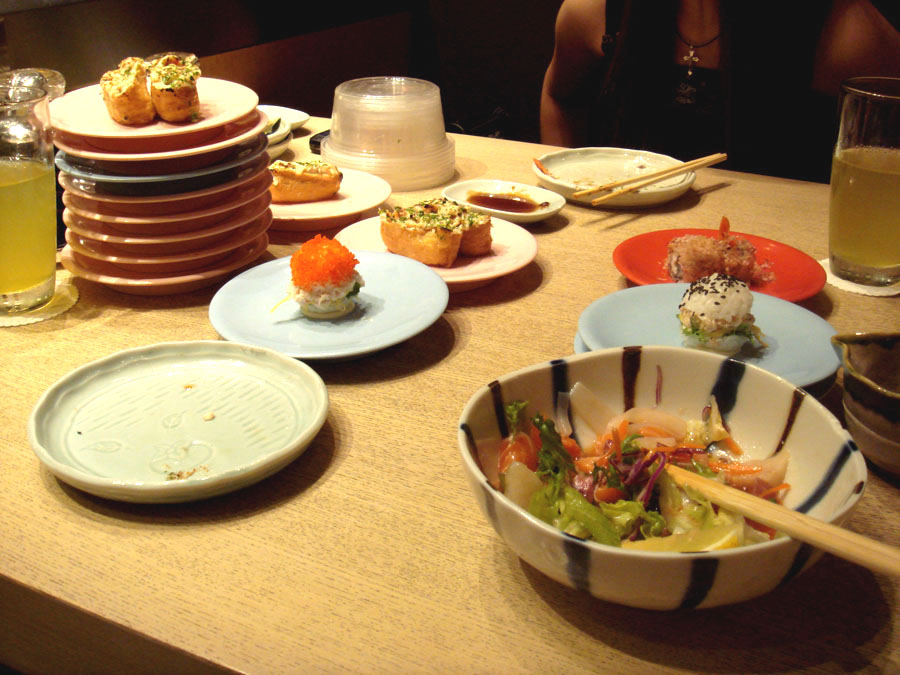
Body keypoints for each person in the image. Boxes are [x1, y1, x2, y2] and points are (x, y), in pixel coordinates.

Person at [540, 0, 900, 182]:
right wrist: (562, 190)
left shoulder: (845, 27)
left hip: (772, 259)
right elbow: (561, 98)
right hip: (624, 237)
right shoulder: (599, 10)